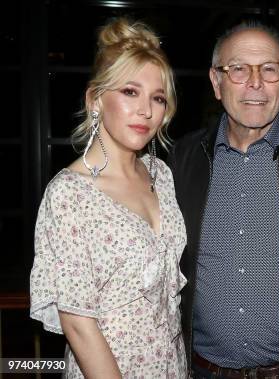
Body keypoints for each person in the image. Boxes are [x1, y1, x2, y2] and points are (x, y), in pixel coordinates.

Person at [168, 21, 279, 379]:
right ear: (216, 82)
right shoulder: (183, 159)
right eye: (238, 69)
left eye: (269, 69)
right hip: (201, 371)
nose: (255, 83)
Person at [29, 18, 188, 378]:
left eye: (158, 98)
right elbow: (79, 326)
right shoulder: (70, 194)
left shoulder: (161, 175)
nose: (146, 111)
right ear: (95, 99)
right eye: (130, 92)